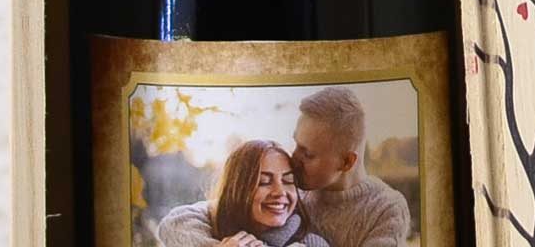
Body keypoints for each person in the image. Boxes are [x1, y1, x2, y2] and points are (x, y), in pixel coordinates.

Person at [157, 87, 411, 247]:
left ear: (346, 162)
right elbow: (178, 222)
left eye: (308, 153)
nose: (294, 157)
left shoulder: (386, 209)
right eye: (296, 144)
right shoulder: (296, 187)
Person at [208, 140, 328, 247]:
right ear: (237, 190)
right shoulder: (207, 234)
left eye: (288, 181)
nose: (280, 192)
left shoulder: (311, 244)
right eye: (264, 182)